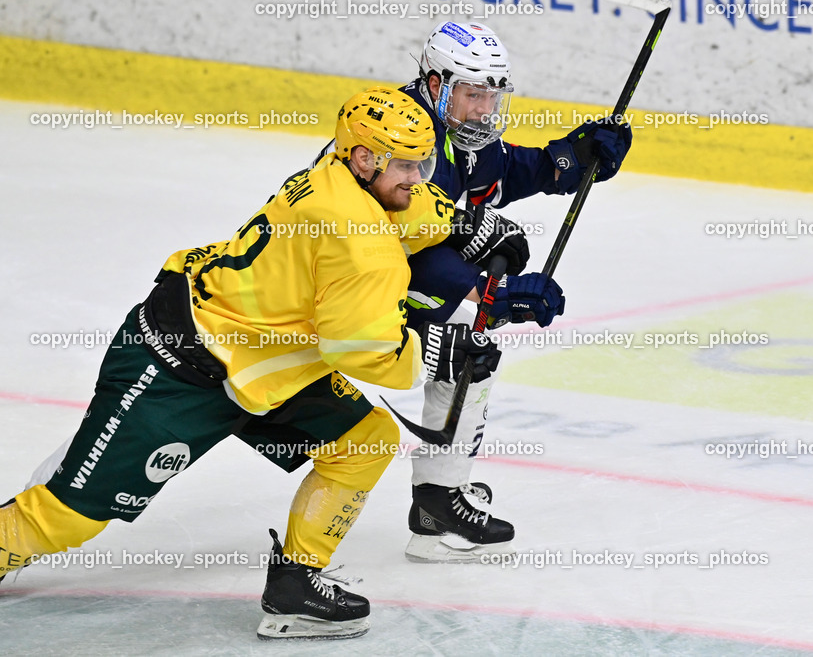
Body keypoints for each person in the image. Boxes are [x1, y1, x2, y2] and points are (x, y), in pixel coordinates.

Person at [0, 87, 501, 640]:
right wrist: (443, 351)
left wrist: (466, 225)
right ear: (363, 158)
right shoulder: (363, 249)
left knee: (365, 440)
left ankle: (295, 583)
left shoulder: (332, 174)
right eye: (407, 164)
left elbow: (404, 210)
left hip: (258, 367)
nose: (418, 176)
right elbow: (362, 350)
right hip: (177, 366)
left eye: (424, 162)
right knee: (68, 516)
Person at [313, 21, 632, 562]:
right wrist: (492, 293)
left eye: (492, 95)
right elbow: (394, 250)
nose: (484, 109)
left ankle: (438, 499)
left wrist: (576, 157)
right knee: (467, 343)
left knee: (469, 351)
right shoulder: (399, 135)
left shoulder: (459, 133)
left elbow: (507, 170)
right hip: (336, 288)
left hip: (381, 277)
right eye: (472, 94)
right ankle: (435, 499)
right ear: (436, 85)